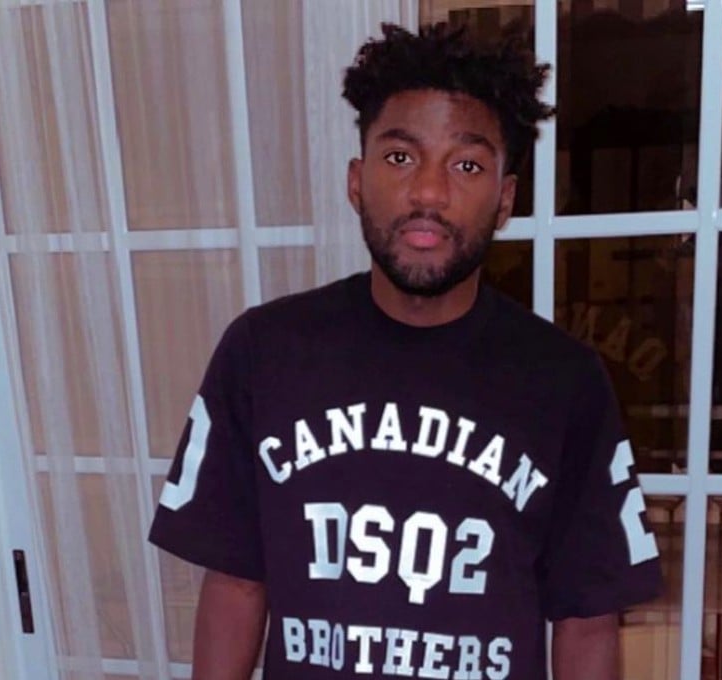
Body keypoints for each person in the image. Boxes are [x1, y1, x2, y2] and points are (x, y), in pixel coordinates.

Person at [149, 22, 663, 680]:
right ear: (356, 181)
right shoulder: (263, 352)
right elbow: (234, 583)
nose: (428, 191)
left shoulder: (564, 381)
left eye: (467, 165)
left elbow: (587, 620)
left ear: (505, 199)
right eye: (400, 157)